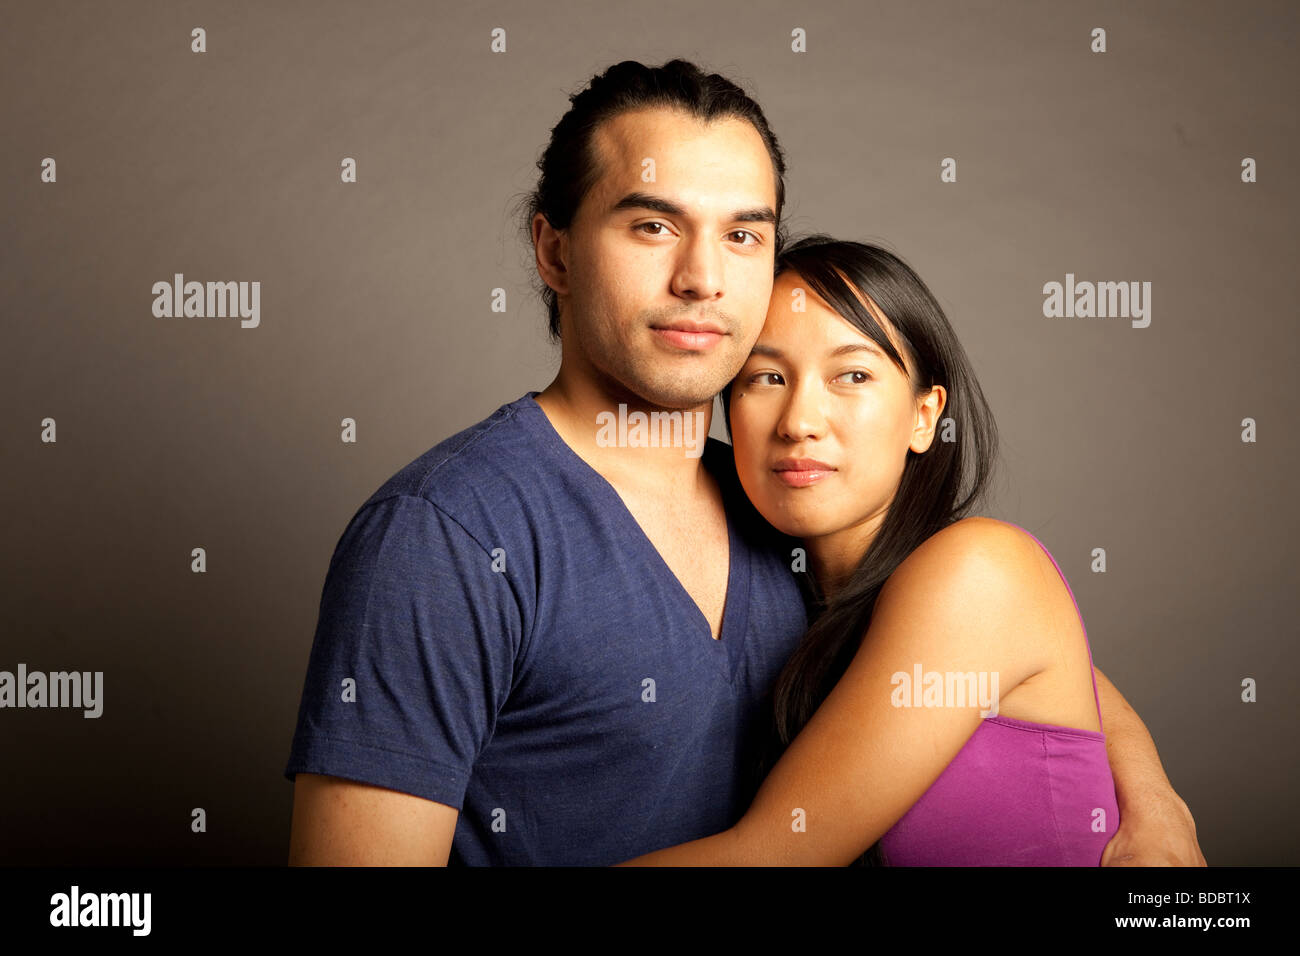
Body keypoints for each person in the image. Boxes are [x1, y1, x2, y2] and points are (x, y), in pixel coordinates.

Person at [284, 59, 1204, 866]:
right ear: (554, 251)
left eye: (743, 234)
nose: (704, 278)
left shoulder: (786, 506)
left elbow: (1016, 657)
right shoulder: (445, 538)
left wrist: (1154, 803)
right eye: (653, 226)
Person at [620, 236, 1133, 865]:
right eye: (768, 377)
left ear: (925, 416)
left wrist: (1158, 804)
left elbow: (771, 857)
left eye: (853, 375)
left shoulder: (980, 569)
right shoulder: (779, 589)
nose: (799, 422)